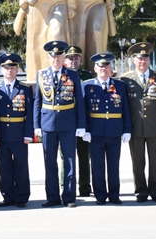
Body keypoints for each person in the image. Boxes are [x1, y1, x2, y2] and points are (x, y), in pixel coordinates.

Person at [33, 41, 86, 208]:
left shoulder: (72, 75)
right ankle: (52, 197)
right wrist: (36, 125)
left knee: (69, 161)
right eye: (53, 56)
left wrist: (81, 125)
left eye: (59, 55)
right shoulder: (41, 75)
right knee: (50, 162)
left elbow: (80, 101)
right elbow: (37, 101)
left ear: (64, 56)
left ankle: (69, 197)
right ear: (48, 57)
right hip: (47, 123)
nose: (56, 58)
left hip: (68, 122)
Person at [121, 42, 156, 203]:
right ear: (133, 60)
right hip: (135, 126)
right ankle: (141, 191)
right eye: (139, 58)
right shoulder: (125, 79)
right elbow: (123, 105)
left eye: (145, 58)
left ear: (148, 60)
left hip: (155, 125)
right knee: (138, 162)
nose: (142, 61)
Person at [82, 53, 132, 205]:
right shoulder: (87, 85)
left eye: (106, 66)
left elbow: (126, 109)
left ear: (111, 68)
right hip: (95, 131)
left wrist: (127, 129)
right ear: (95, 68)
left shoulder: (120, 85)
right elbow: (84, 110)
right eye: (100, 66)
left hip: (114, 130)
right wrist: (85, 130)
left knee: (114, 165)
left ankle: (114, 194)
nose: (103, 69)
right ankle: (100, 195)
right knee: (97, 166)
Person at [0, 53, 33, 208]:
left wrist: (28, 134)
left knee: (21, 166)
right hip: (2, 134)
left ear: (17, 69)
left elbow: (29, 113)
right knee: (4, 166)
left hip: (19, 133)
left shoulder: (25, 89)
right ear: (1, 70)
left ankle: (22, 197)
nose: (9, 70)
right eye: (6, 68)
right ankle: (7, 196)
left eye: (12, 67)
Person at [62, 45, 93, 197]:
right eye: (70, 59)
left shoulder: (87, 76)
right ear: (65, 60)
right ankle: (65, 186)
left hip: (83, 122)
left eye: (76, 58)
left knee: (84, 156)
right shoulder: (61, 75)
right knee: (65, 157)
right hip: (66, 122)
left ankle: (85, 187)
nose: (74, 62)